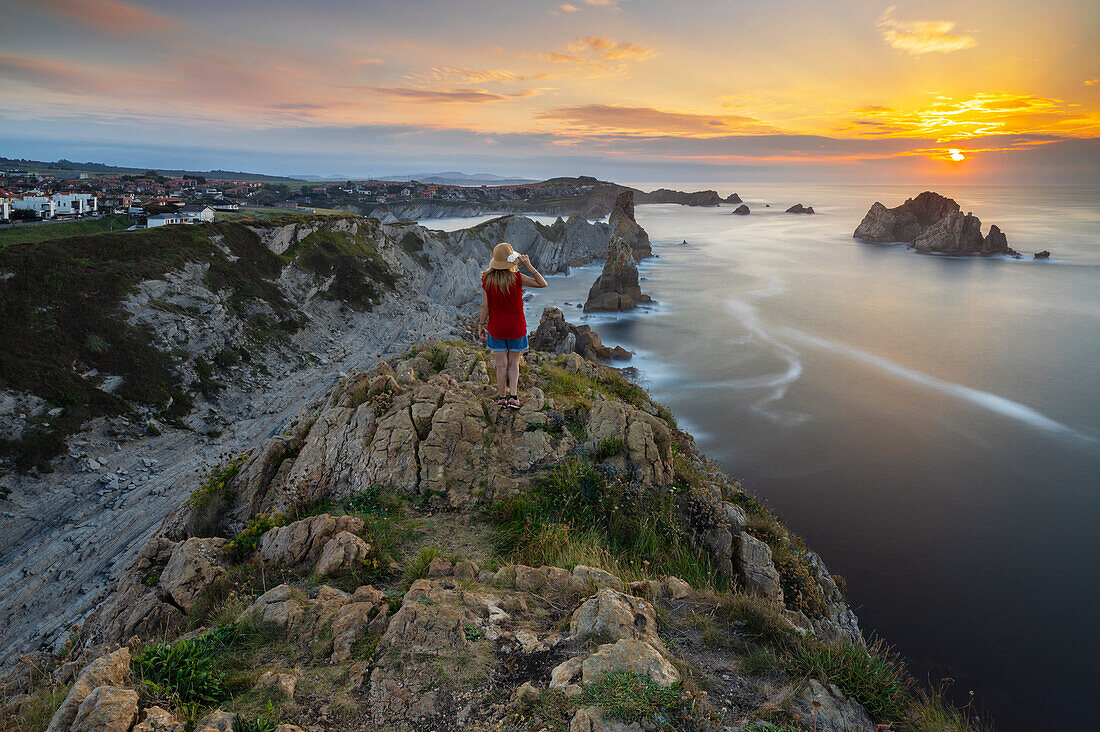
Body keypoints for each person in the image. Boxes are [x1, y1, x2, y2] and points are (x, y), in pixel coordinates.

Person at [479, 242, 547, 408]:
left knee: (501, 364)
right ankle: (514, 398)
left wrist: (481, 325)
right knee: (513, 363)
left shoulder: (486, 279)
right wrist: (528, 266)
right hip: (517, 328)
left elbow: (485, 306)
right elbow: (542, 283)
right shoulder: (517, 278)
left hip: (496, 328)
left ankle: (501, 399)